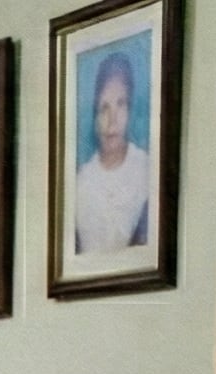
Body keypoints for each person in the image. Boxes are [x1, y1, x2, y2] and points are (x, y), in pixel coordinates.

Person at [73, 51, 153, 254]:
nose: (112, 120)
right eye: (104, 108)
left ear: (130, 109)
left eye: (120, 104)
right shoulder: (81, 181)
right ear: (94, 114)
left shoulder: (147, 169)